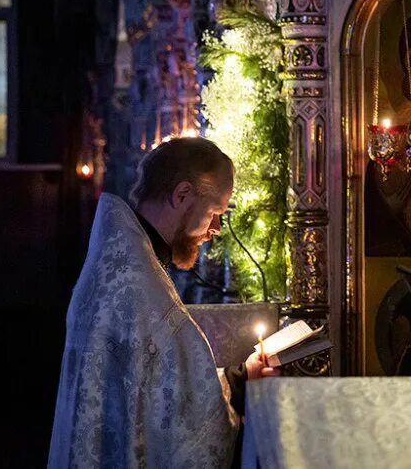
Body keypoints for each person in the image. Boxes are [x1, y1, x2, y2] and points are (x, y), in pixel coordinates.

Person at [49, 137, 276, 468]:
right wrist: (241, 387)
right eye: (215, 212)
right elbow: (185, 438)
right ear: (182, 194)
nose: (216, 228)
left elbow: (160, 391)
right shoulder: (137, 284)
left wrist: (235, 377)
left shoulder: (125, 262)